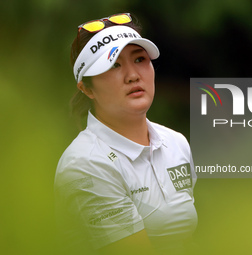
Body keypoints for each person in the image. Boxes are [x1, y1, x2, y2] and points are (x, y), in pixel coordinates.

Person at [54, 13, 198, 255]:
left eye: (140, 59)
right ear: (87, 89)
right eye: (114, 65)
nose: (133, 75)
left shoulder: (175, 143)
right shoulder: (85, 165)